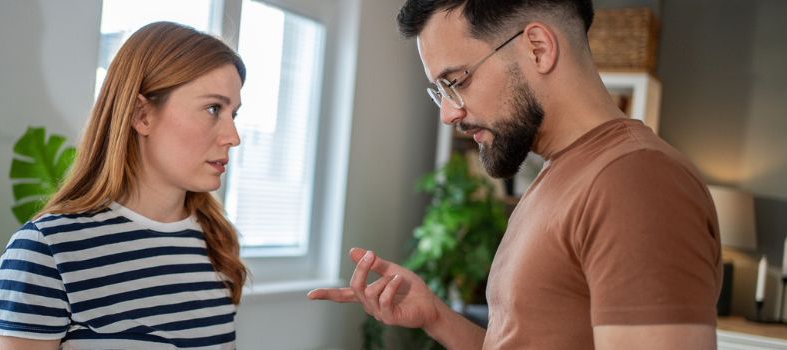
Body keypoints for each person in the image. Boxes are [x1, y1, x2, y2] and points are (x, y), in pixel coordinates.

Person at [308, 1, 721, 349]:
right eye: (440, 92)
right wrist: (437, 317)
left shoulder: (635, 181)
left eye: (456, 82)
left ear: (538, 48)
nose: (449, 112)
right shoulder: (561, 173)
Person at [0, 21, 247, 350]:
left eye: (233, 114)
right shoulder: (46, 252)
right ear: (142, 115)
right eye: (213, 109)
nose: (233, 137)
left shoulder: (218, 242)